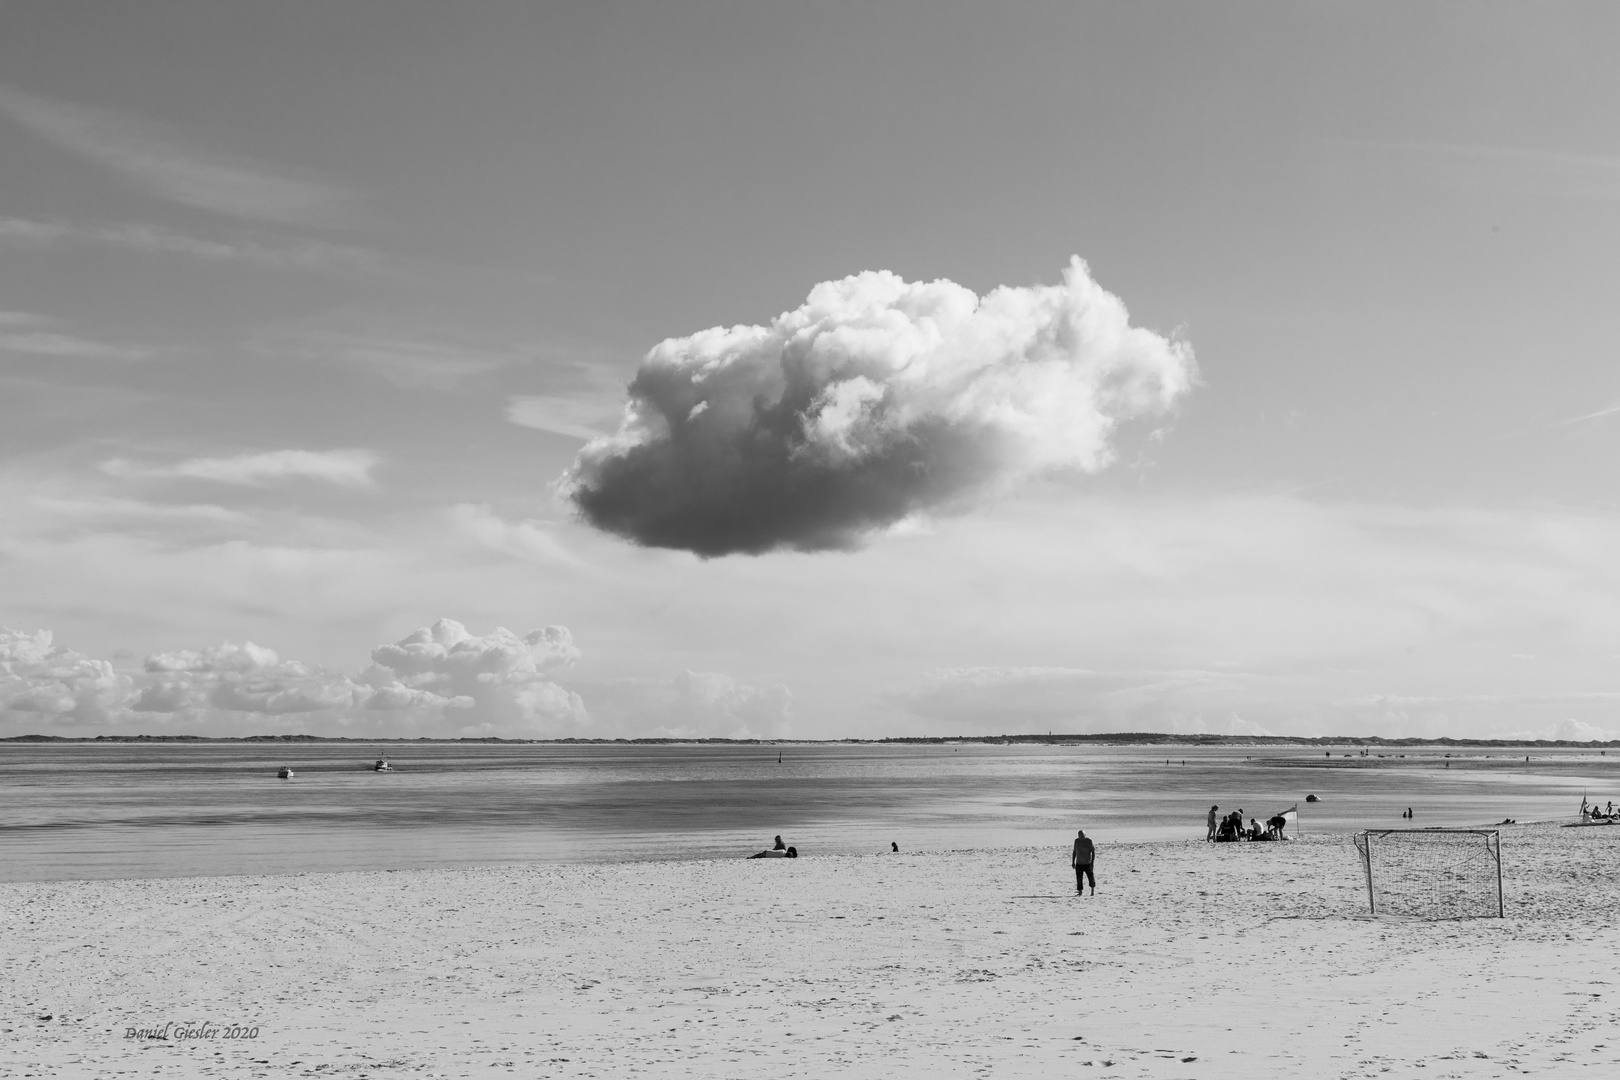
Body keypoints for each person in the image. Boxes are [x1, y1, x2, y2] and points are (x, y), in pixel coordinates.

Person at [1071, 830, 1096, 896]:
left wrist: (1092, 863)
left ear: (1085, 835)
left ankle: (1092, 891)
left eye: (1082, 835)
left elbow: (1093, 852)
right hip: (1079, 863)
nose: (1081, 837)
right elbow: (1074, 851)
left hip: (1087, 863)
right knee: (1079, 878)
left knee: (1091, 877)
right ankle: (1080, 892)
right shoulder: (1076, 841)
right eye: (1079, 835)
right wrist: (1073, 862)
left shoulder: (1089, 841)